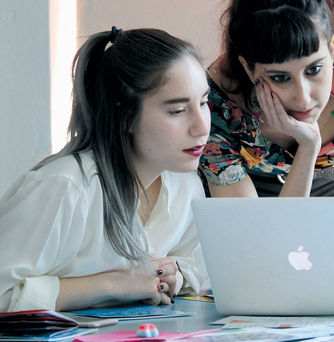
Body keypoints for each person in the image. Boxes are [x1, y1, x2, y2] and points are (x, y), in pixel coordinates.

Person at [0, 27, 211, 312]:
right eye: (177, 111)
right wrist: (113, 285)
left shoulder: (185, 184)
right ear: (125, 115)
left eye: (203, 102)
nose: (202, 127)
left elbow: (194, 265)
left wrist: (174, 274)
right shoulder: (64, 188)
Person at [200, 0, 334, 197]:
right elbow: (253, 233)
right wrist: (307, 147)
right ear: (248, 68)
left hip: (329, 182)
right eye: (280, 78)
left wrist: (308, 146)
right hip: (247, 182)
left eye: (314, 69)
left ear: (332, 49)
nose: (303, 99)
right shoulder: (215, 104)